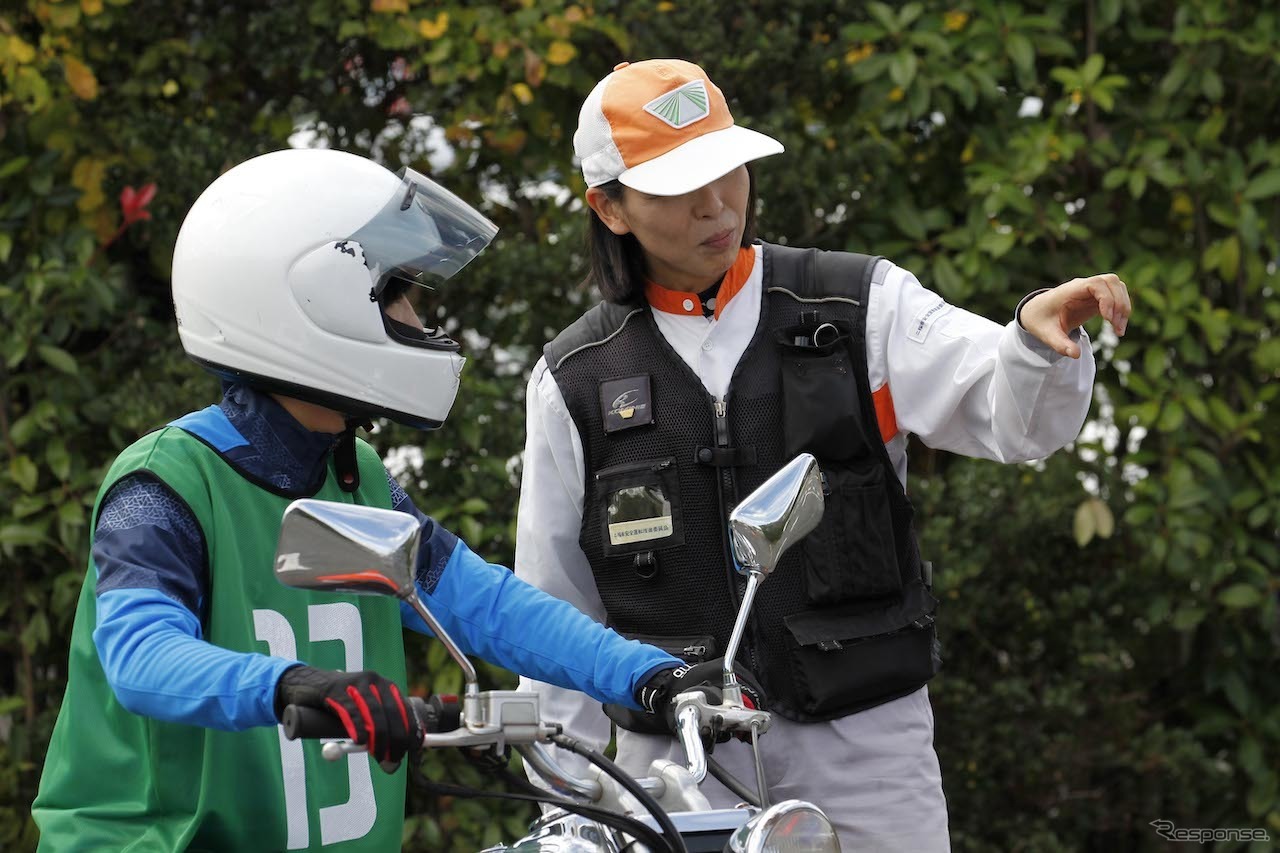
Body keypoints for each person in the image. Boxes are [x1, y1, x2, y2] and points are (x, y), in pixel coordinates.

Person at [30, 148, 743, 851]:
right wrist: (293, 684)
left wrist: (648, 673)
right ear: (307, 301)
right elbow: (140, 654)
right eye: (394, 293)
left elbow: (479, 600)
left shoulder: (353, 474)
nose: (416, 317)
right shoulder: (163, 483)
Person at [515, 59, 1132, 850]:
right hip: (673, 767)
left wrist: (1039, 344)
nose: (716, 205)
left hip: (866, 749)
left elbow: (1007, 412)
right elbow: (552, 609)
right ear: (610, 207)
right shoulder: (574, 375)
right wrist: (566, 808)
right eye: (677, 187)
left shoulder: (858, 305)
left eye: (727, 170)